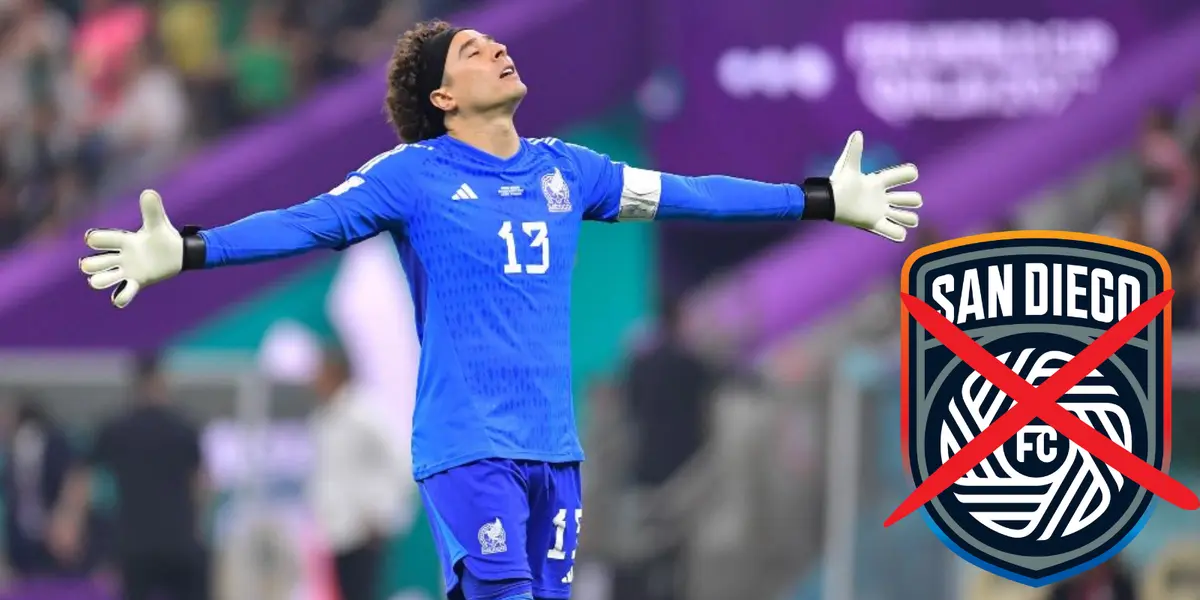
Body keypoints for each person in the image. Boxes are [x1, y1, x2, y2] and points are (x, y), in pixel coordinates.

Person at [77, 19, 923, 600]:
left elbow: (690, 193)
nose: (499, 50)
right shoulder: (410, 175)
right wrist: (184, 248)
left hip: (555, 451)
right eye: (475, 51)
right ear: (443, 98)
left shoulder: (571, 171)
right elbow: (306, 222)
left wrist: (817, 198)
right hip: (468, 450)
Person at [54, 354, 210, 600]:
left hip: (134, 543)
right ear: (162, 381)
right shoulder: (184, 428)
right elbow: (201, 484)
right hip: (181, 540)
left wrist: (69, 519)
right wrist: (199, 524)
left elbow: (82, 475)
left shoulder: (116, 427)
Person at [308, 344, 409, 600]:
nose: (314, 380)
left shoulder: (363, 412)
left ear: (336, 373)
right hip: (337, 529)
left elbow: (401, 460)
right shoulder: (325, 417)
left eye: (320, 372)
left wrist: (381, 514)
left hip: (363, 530)